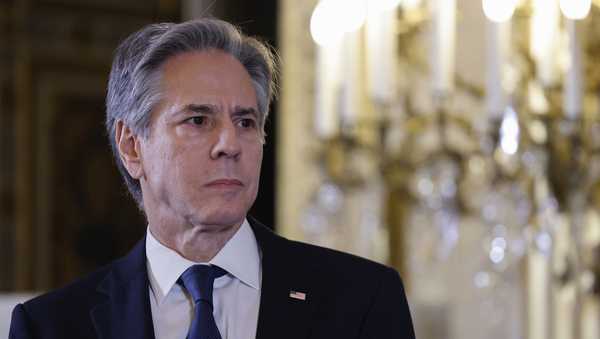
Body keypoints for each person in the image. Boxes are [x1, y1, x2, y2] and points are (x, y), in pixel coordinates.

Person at [9, 18, 415, 339]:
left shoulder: (362, 300)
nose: (230, 144)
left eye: (245, 121)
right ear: (132, 146)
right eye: (198, 120)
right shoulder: (52, 326)